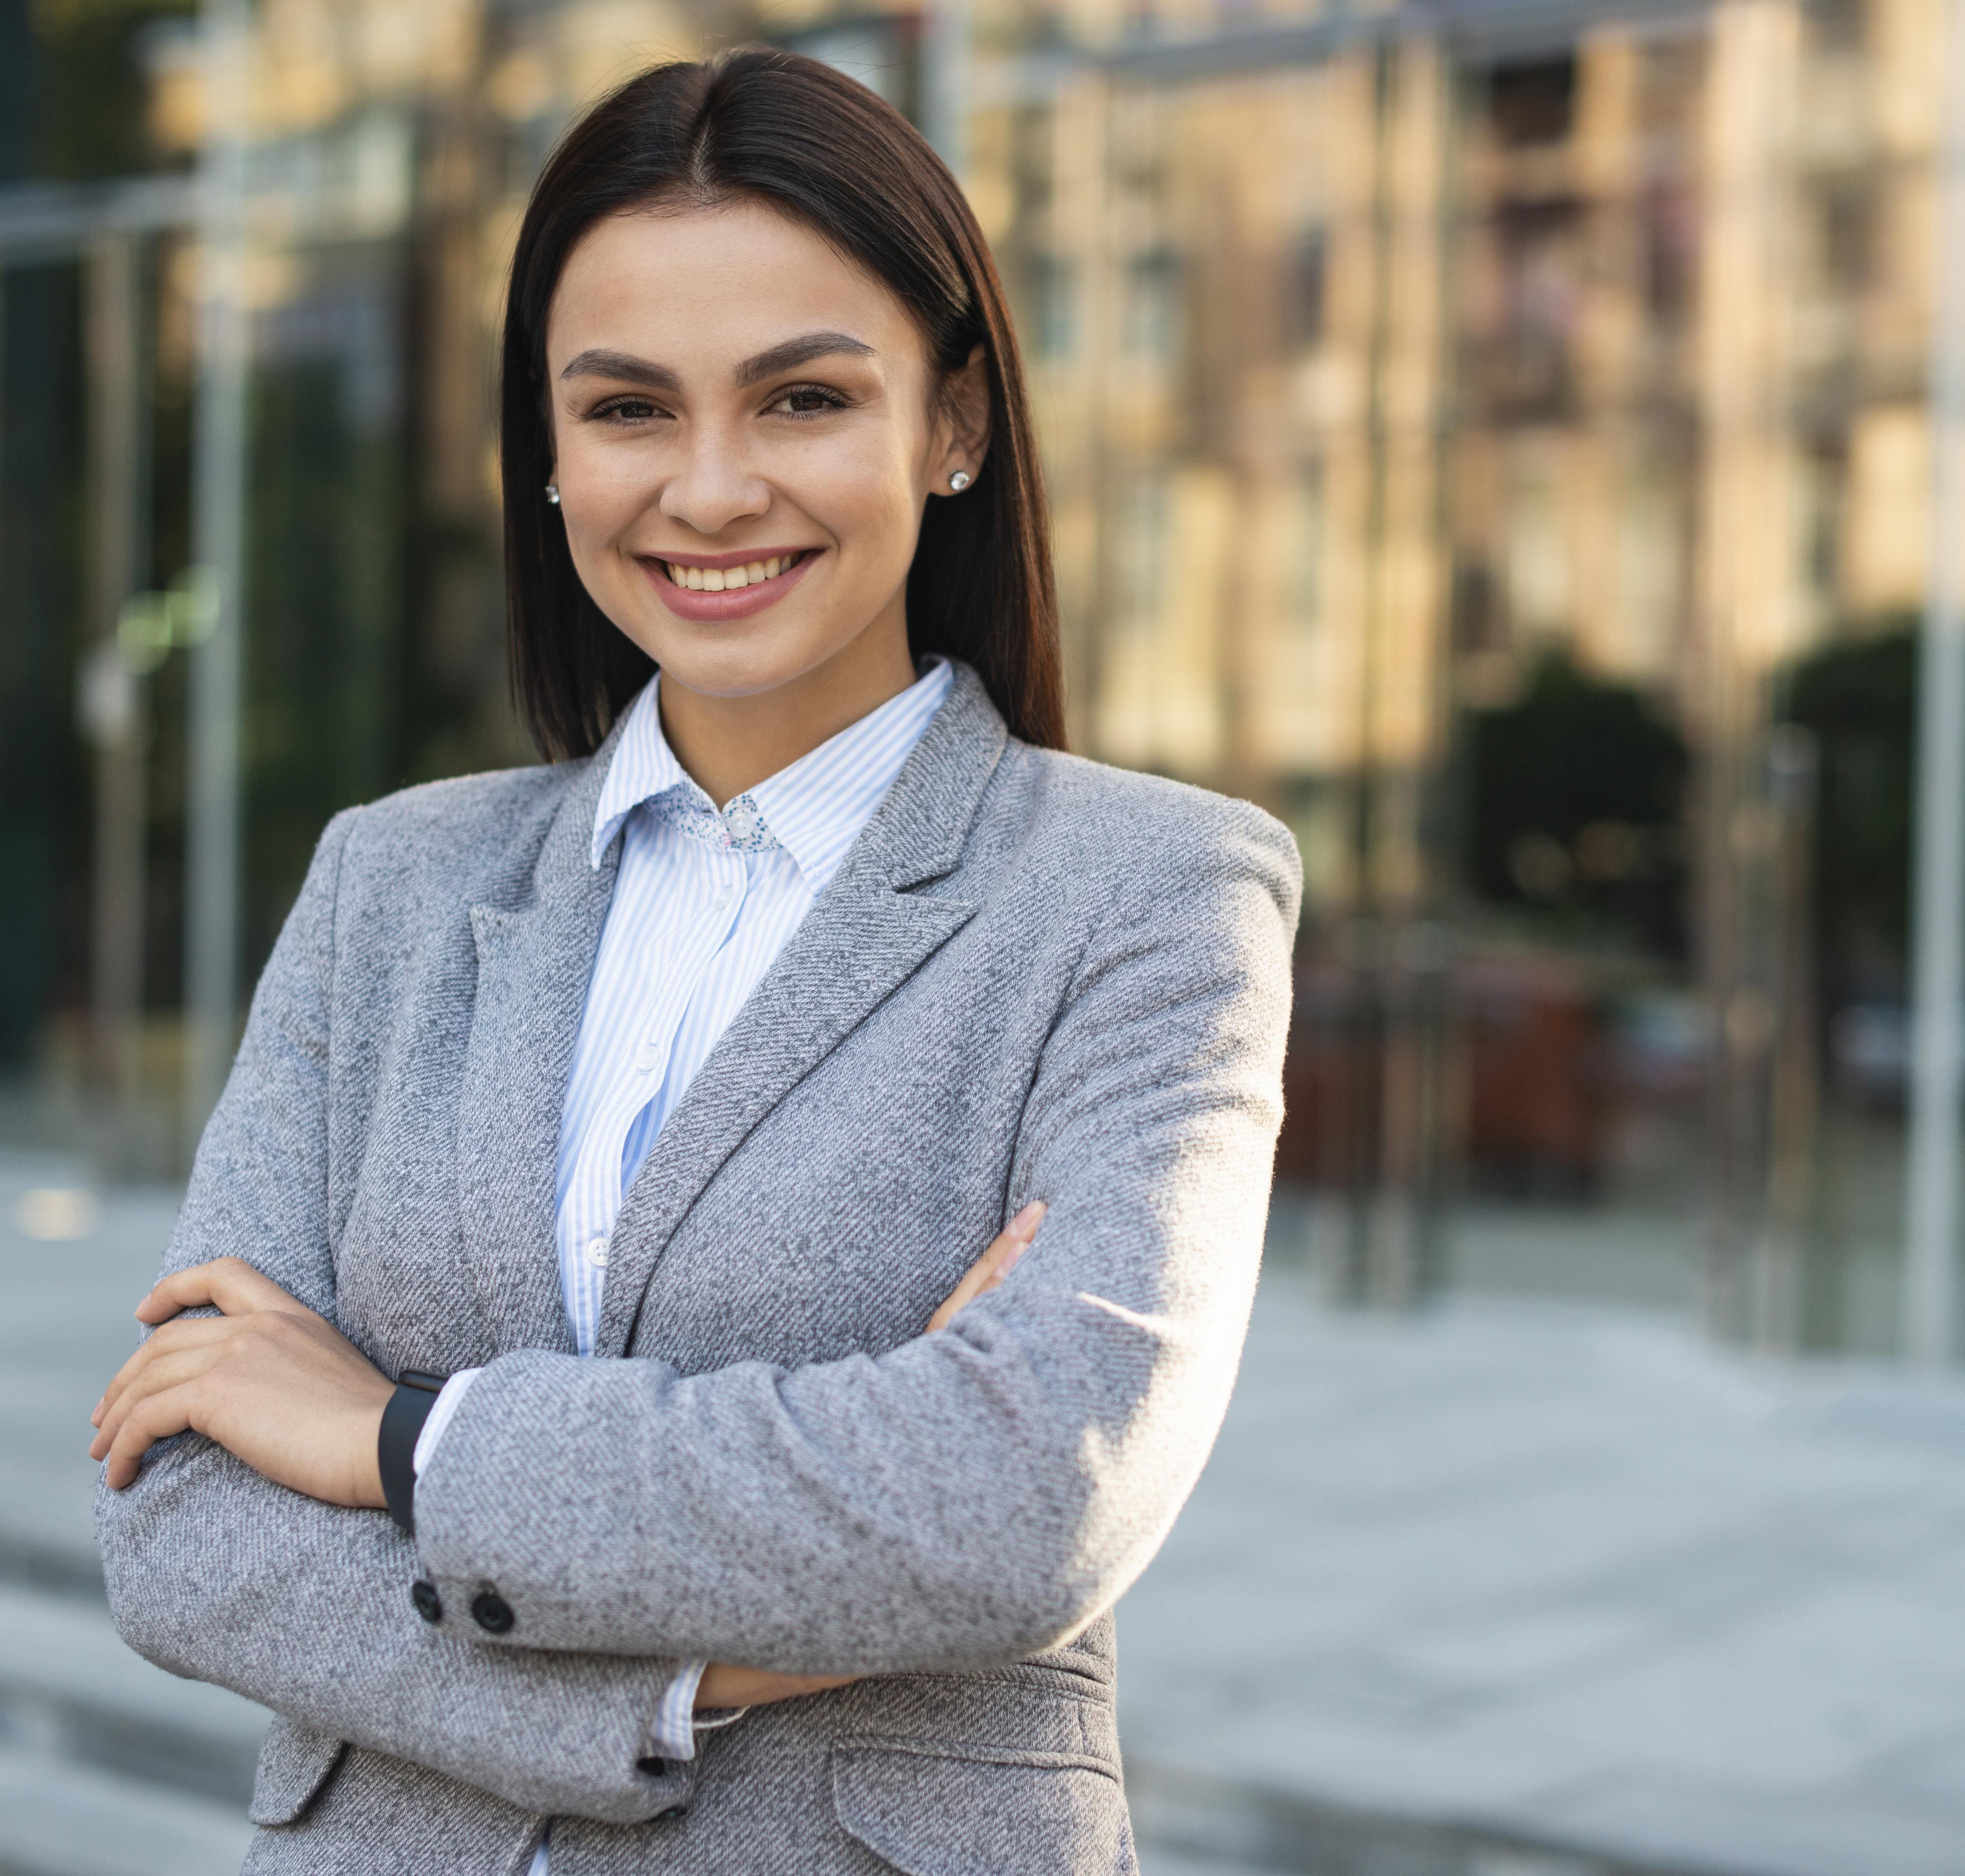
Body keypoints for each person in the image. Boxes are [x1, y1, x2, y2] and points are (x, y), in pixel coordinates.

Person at [88, 47, 1298, 1874]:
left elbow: (1024, 1491)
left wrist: (399, 1439)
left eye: (803, 396)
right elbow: (182, 1521)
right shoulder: (388, 885)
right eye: (631, 409)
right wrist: (685, 1672)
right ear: (553, 456)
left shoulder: (1154, 891)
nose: (713, 490)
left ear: (952, 424)